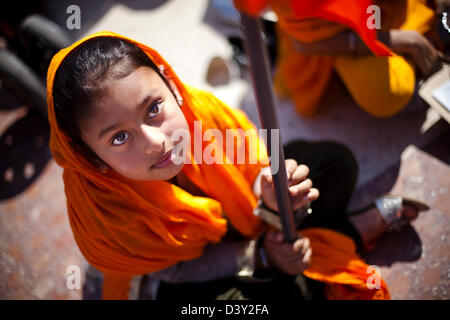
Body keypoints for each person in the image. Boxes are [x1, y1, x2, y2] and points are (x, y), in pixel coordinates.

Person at [48, 31, 426, 300]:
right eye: (119, 137)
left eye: (153, 109)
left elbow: (256, 165)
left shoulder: (205, 116)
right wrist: (259, 254)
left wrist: (271, 196)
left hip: (250, 220)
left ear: (172, 86)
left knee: (334, 165)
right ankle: (354, 229)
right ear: (90, 158)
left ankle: (320, 248)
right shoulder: (106, 216)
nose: (156, 143)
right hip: (193, 275)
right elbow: (178, 270)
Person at [236, 0, 447, 118]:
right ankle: (421, 42)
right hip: (337, 35)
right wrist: (408, 41)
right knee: (386, 92)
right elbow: (305, 42)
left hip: (391, 9)